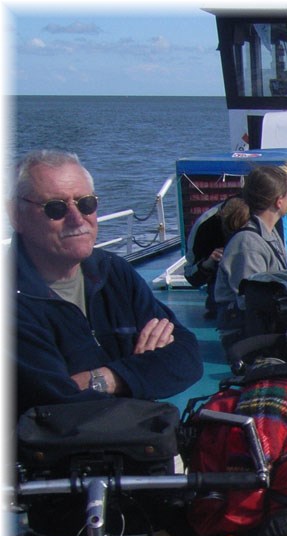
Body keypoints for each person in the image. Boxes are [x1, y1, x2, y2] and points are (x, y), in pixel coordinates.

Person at [12, 149, 202, 416]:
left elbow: (187, 357)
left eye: (86, 203)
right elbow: (55, 402)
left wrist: (109, 378)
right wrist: (141, 370)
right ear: (15, 216)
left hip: (137, 441)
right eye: (55, 208)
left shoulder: (113, 273)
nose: (77, 219)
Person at [212, 165, 287, 331]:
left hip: (264, 319)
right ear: (279, 201)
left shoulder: (270, 233)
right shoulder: (247, 244)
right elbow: (250, 301)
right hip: (244, 329)